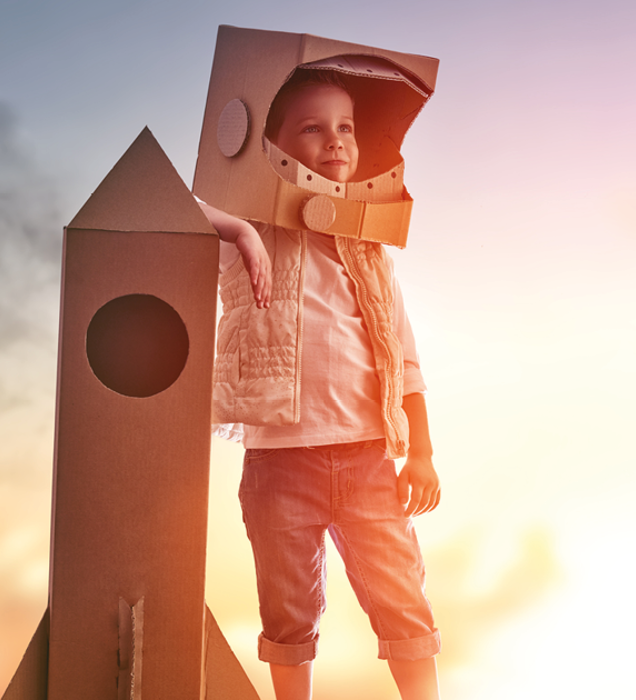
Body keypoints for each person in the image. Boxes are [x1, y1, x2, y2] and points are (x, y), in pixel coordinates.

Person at [198, 69, 442, 700]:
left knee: (404, 604)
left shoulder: (369, 246)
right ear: (272, 147)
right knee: (289, 614)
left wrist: (421, 450)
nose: (335, 142)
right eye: (312, 128)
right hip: (282, 461)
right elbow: (168, 199)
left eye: (346, 128)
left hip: (366, 458)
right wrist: (240, 229)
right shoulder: (250, 233)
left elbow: (405, 357)